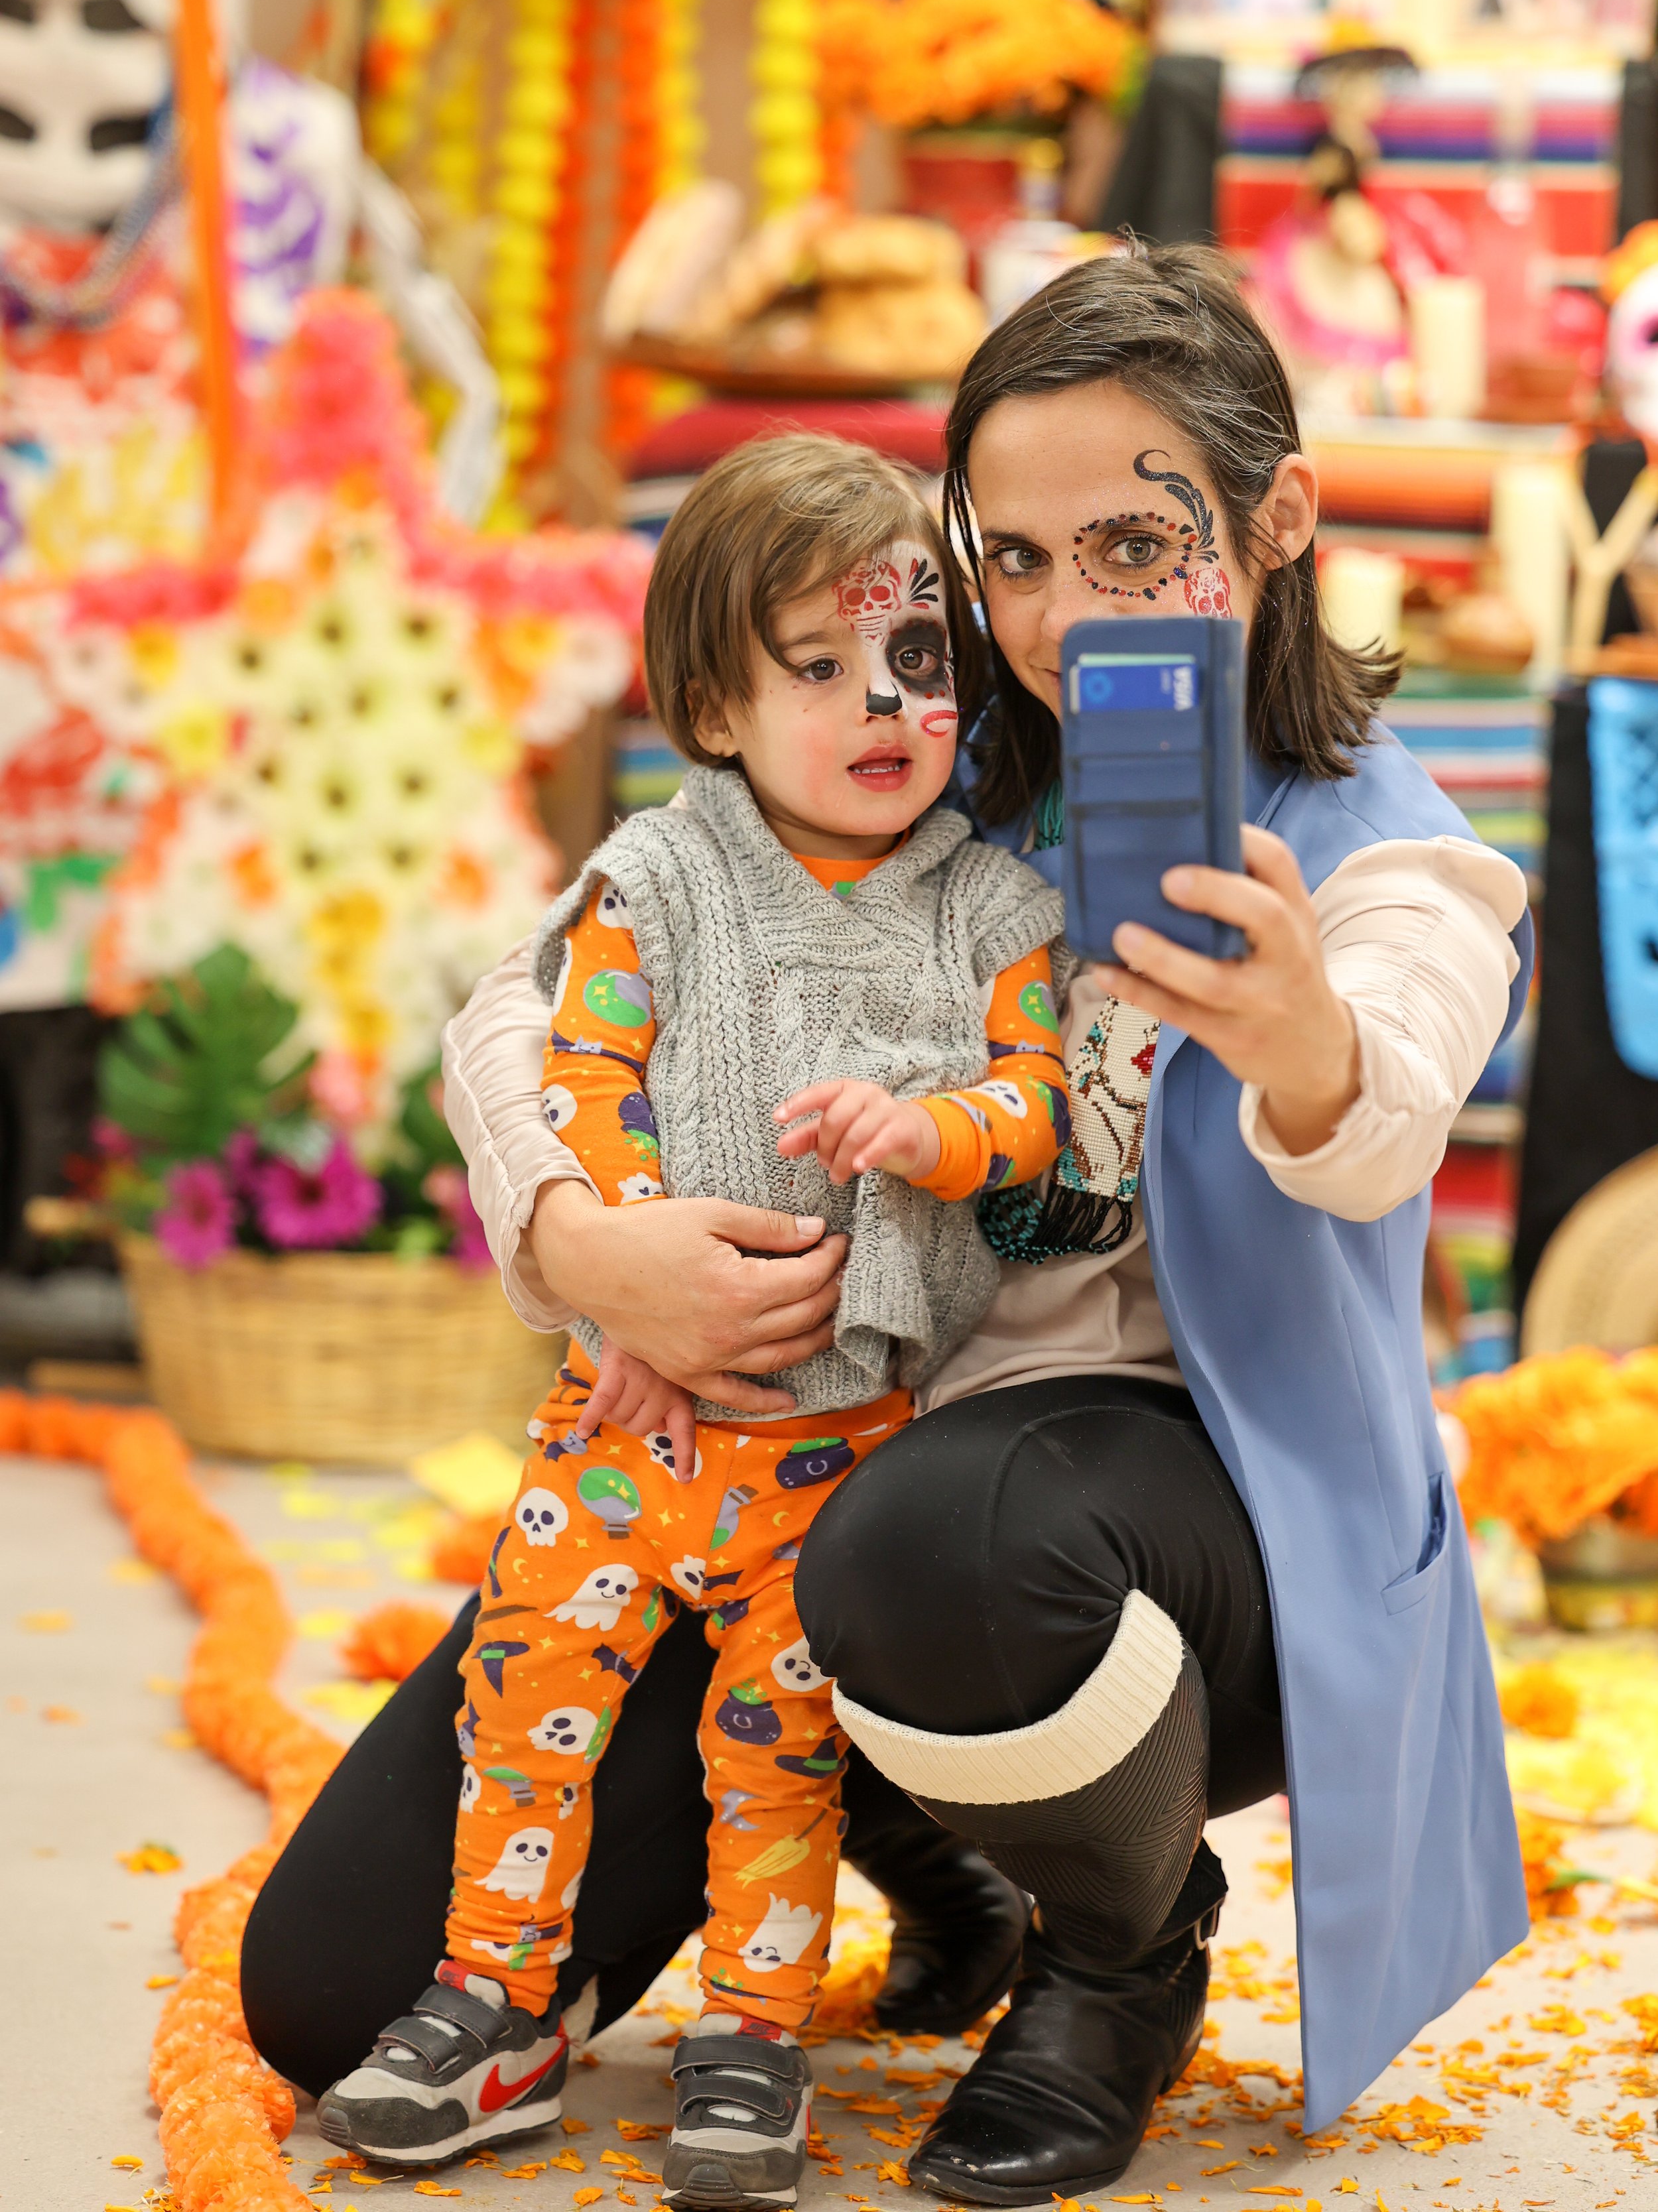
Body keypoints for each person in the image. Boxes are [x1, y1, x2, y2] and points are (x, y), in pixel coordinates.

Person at [243, 245, 1532, 2202]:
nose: (1050, 615)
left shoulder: (1376, 852)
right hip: (771, 1473)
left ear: (1277, 523)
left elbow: (1385, 1098)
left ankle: (1117, 1948)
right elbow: (527, 1006)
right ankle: (929, 1839)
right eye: (1004, 557)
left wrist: (1301, 1047)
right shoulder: (901, 763)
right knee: (332, 1995)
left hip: (1181, 1551)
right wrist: (589, 1250)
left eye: (1127, 541)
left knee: (939, 1534)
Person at [312, 434, 1069, 2195]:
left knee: (773, 1756)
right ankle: (488, 1994)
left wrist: (928, 1131)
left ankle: (751, 2030)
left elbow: (1037, 1103)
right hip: (624, 1420)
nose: (881, 701)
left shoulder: (991, 908)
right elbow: (571, 1069)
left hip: (829, 1449)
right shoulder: (655, 872)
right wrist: (616, 1267)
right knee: (526, 1699)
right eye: (819, 668)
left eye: (918, 659)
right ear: (711, 709)